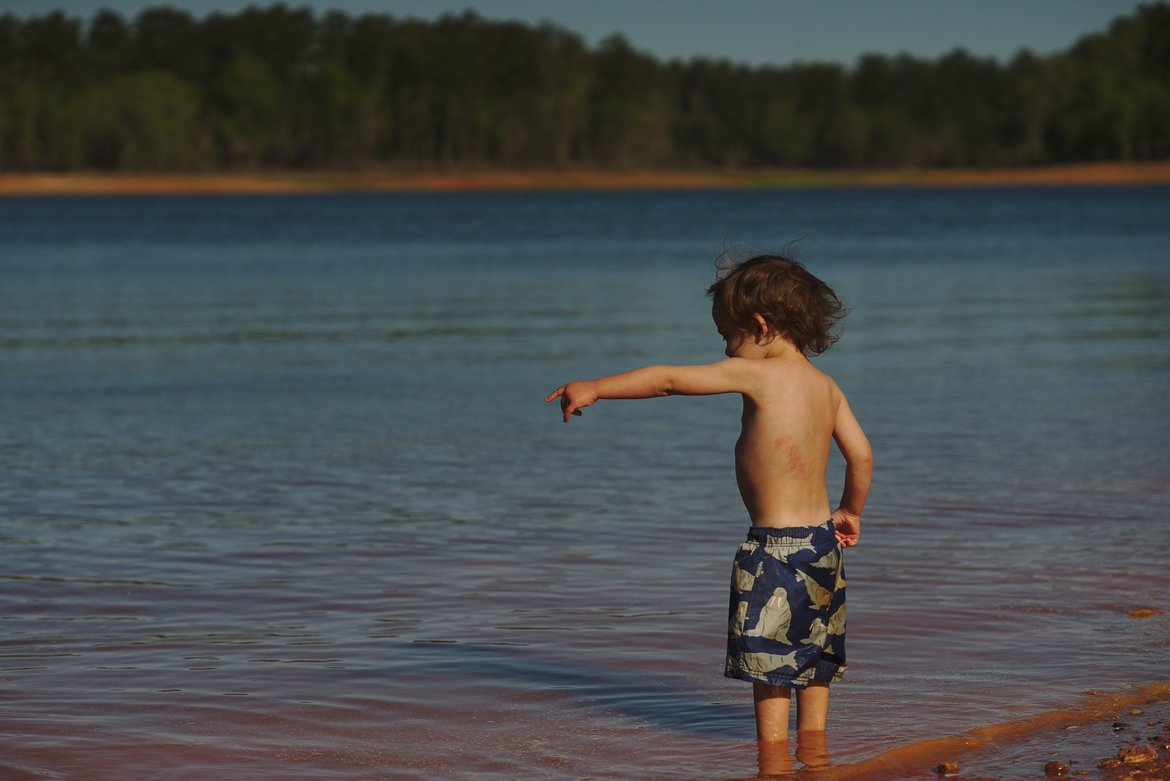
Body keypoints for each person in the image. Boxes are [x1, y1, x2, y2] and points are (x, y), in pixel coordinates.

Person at [545, 254, 873, 744]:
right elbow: (862, 456)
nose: (725, 348)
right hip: (823, 546)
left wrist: (596, 388)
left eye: (727, 336)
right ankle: (815, 749)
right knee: (814, 656)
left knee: (769, 664)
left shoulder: (754, 374)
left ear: (761, 326)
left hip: (775, 551)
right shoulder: (827, 387)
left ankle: (774, 759)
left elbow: (667, 380)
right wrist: (849, 511)